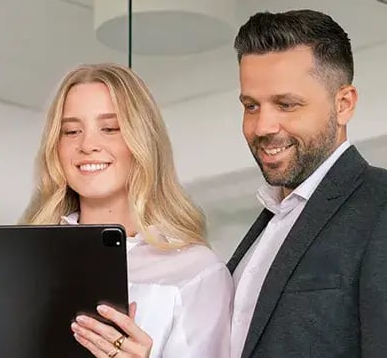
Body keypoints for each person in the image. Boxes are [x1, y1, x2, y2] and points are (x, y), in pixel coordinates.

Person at [227, 9, 387, 358]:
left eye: (286, 104)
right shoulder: (267, 228)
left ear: (344, 104)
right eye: (251, 106)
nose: (263, 126)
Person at [21, 63, 232, 358]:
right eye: (71, 131)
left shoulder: (197, 272)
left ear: (142, 140)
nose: (87, 144)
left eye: (109, 128)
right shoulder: (25, 260)